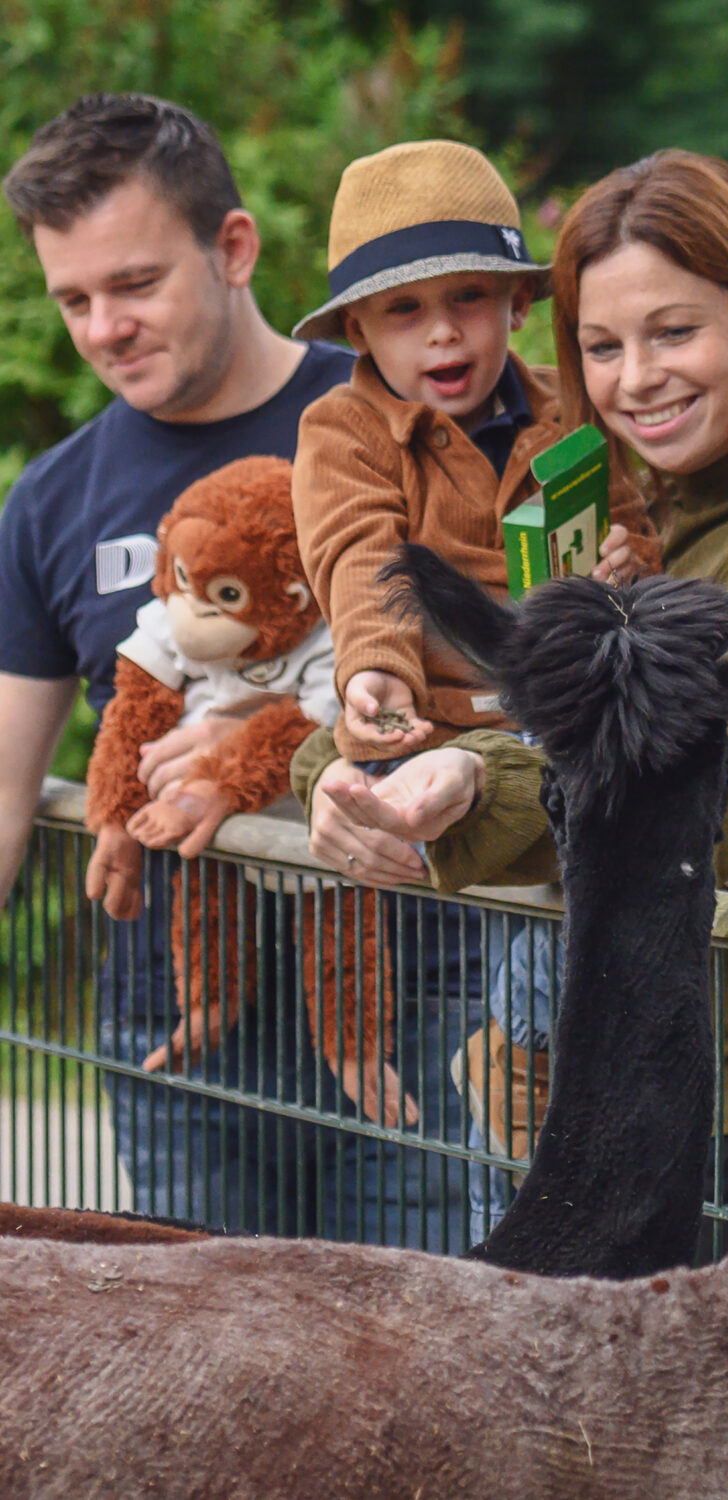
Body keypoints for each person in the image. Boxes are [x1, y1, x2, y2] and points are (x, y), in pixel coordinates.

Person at [294, 149, 728, 1245]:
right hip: (606, 1077)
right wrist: (342, 764)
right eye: (600, 346)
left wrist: (458, 778)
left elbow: (695, 808)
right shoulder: (634, 531)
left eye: (674, 332)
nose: (635, 378)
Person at [0, 92, 361, 1236]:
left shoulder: (381, 416)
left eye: (136, 284)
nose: (105, 327)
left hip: (404, 975)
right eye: (75, 300)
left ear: (234, 249)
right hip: (173, 996)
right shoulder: (49, 501)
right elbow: (6, 791)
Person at [289, 137, 660, 773]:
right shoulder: (346, 429)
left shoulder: (567, 408)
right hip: (434, 731)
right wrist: (378, 668)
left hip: (575, 717)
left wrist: (626, 574)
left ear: (515, 303)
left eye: (467, 296)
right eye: (404, 309)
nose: (443, 331)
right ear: (358, 333)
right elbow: (359, 554)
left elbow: (633, 527)